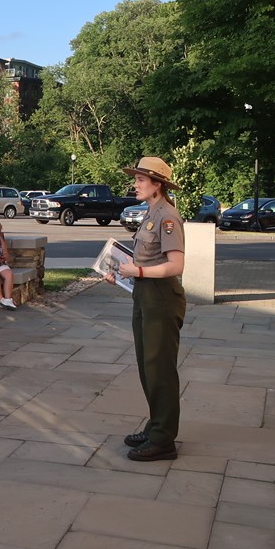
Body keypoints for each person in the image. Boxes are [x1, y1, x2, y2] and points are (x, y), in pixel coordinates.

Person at [107, 157, 186, 463]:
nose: (135, 184)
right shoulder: (151, 213)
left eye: (141, 180)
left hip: (161, 299)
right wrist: (122, 272)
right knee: (147, 367)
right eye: (136, 179)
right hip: (145, 296)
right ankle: (156, 425)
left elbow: (176, 265)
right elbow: (145, 261)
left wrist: (137, 273)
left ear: (157, 184)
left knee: (160, 369)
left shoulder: (167, 216)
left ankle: (164, 440)